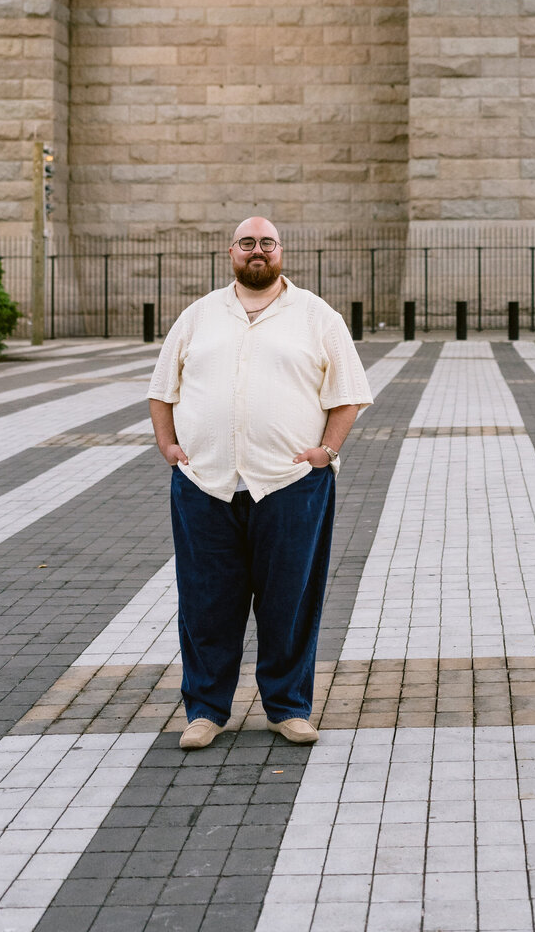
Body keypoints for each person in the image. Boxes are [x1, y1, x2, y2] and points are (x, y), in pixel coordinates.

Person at [148, 216, 373, 751]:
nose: (257, 251)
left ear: (280, 253)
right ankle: (205, 711)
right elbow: (162, 388)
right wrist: (167, 443)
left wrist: (328, 451)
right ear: (231, 252)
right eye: (247, 243)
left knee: (290, 600)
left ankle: (288, 708)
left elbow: (349, 394)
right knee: (206, 602)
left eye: (266, 244)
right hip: (206, 484)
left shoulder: (317, 316)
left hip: (292, 484)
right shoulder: (200, 315)